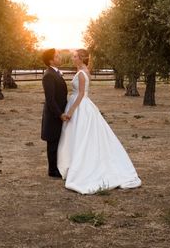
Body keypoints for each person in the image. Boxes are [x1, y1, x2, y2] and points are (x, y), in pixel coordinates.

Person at [57, 48, 142, 194]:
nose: (73, 58)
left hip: (80, 106)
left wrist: (71, 111)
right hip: (79, 104)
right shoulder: (83, 70)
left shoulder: (82, 73)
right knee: (75, 136)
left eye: (75, 56)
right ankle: (72, 163)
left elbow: (82, 94)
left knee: (81, 136)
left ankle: (81, 166)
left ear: (82, 58)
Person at [40, 48, 68, 178]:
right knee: (52, 143)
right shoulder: (48, 76)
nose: (60, 57)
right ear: (51, 60)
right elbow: (50, 100)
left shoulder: (55, 73)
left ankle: (58, 167)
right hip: (53, 115)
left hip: (60, 113)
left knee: (58, 142)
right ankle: (52, 170)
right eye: (57, 56)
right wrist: (60, 114)